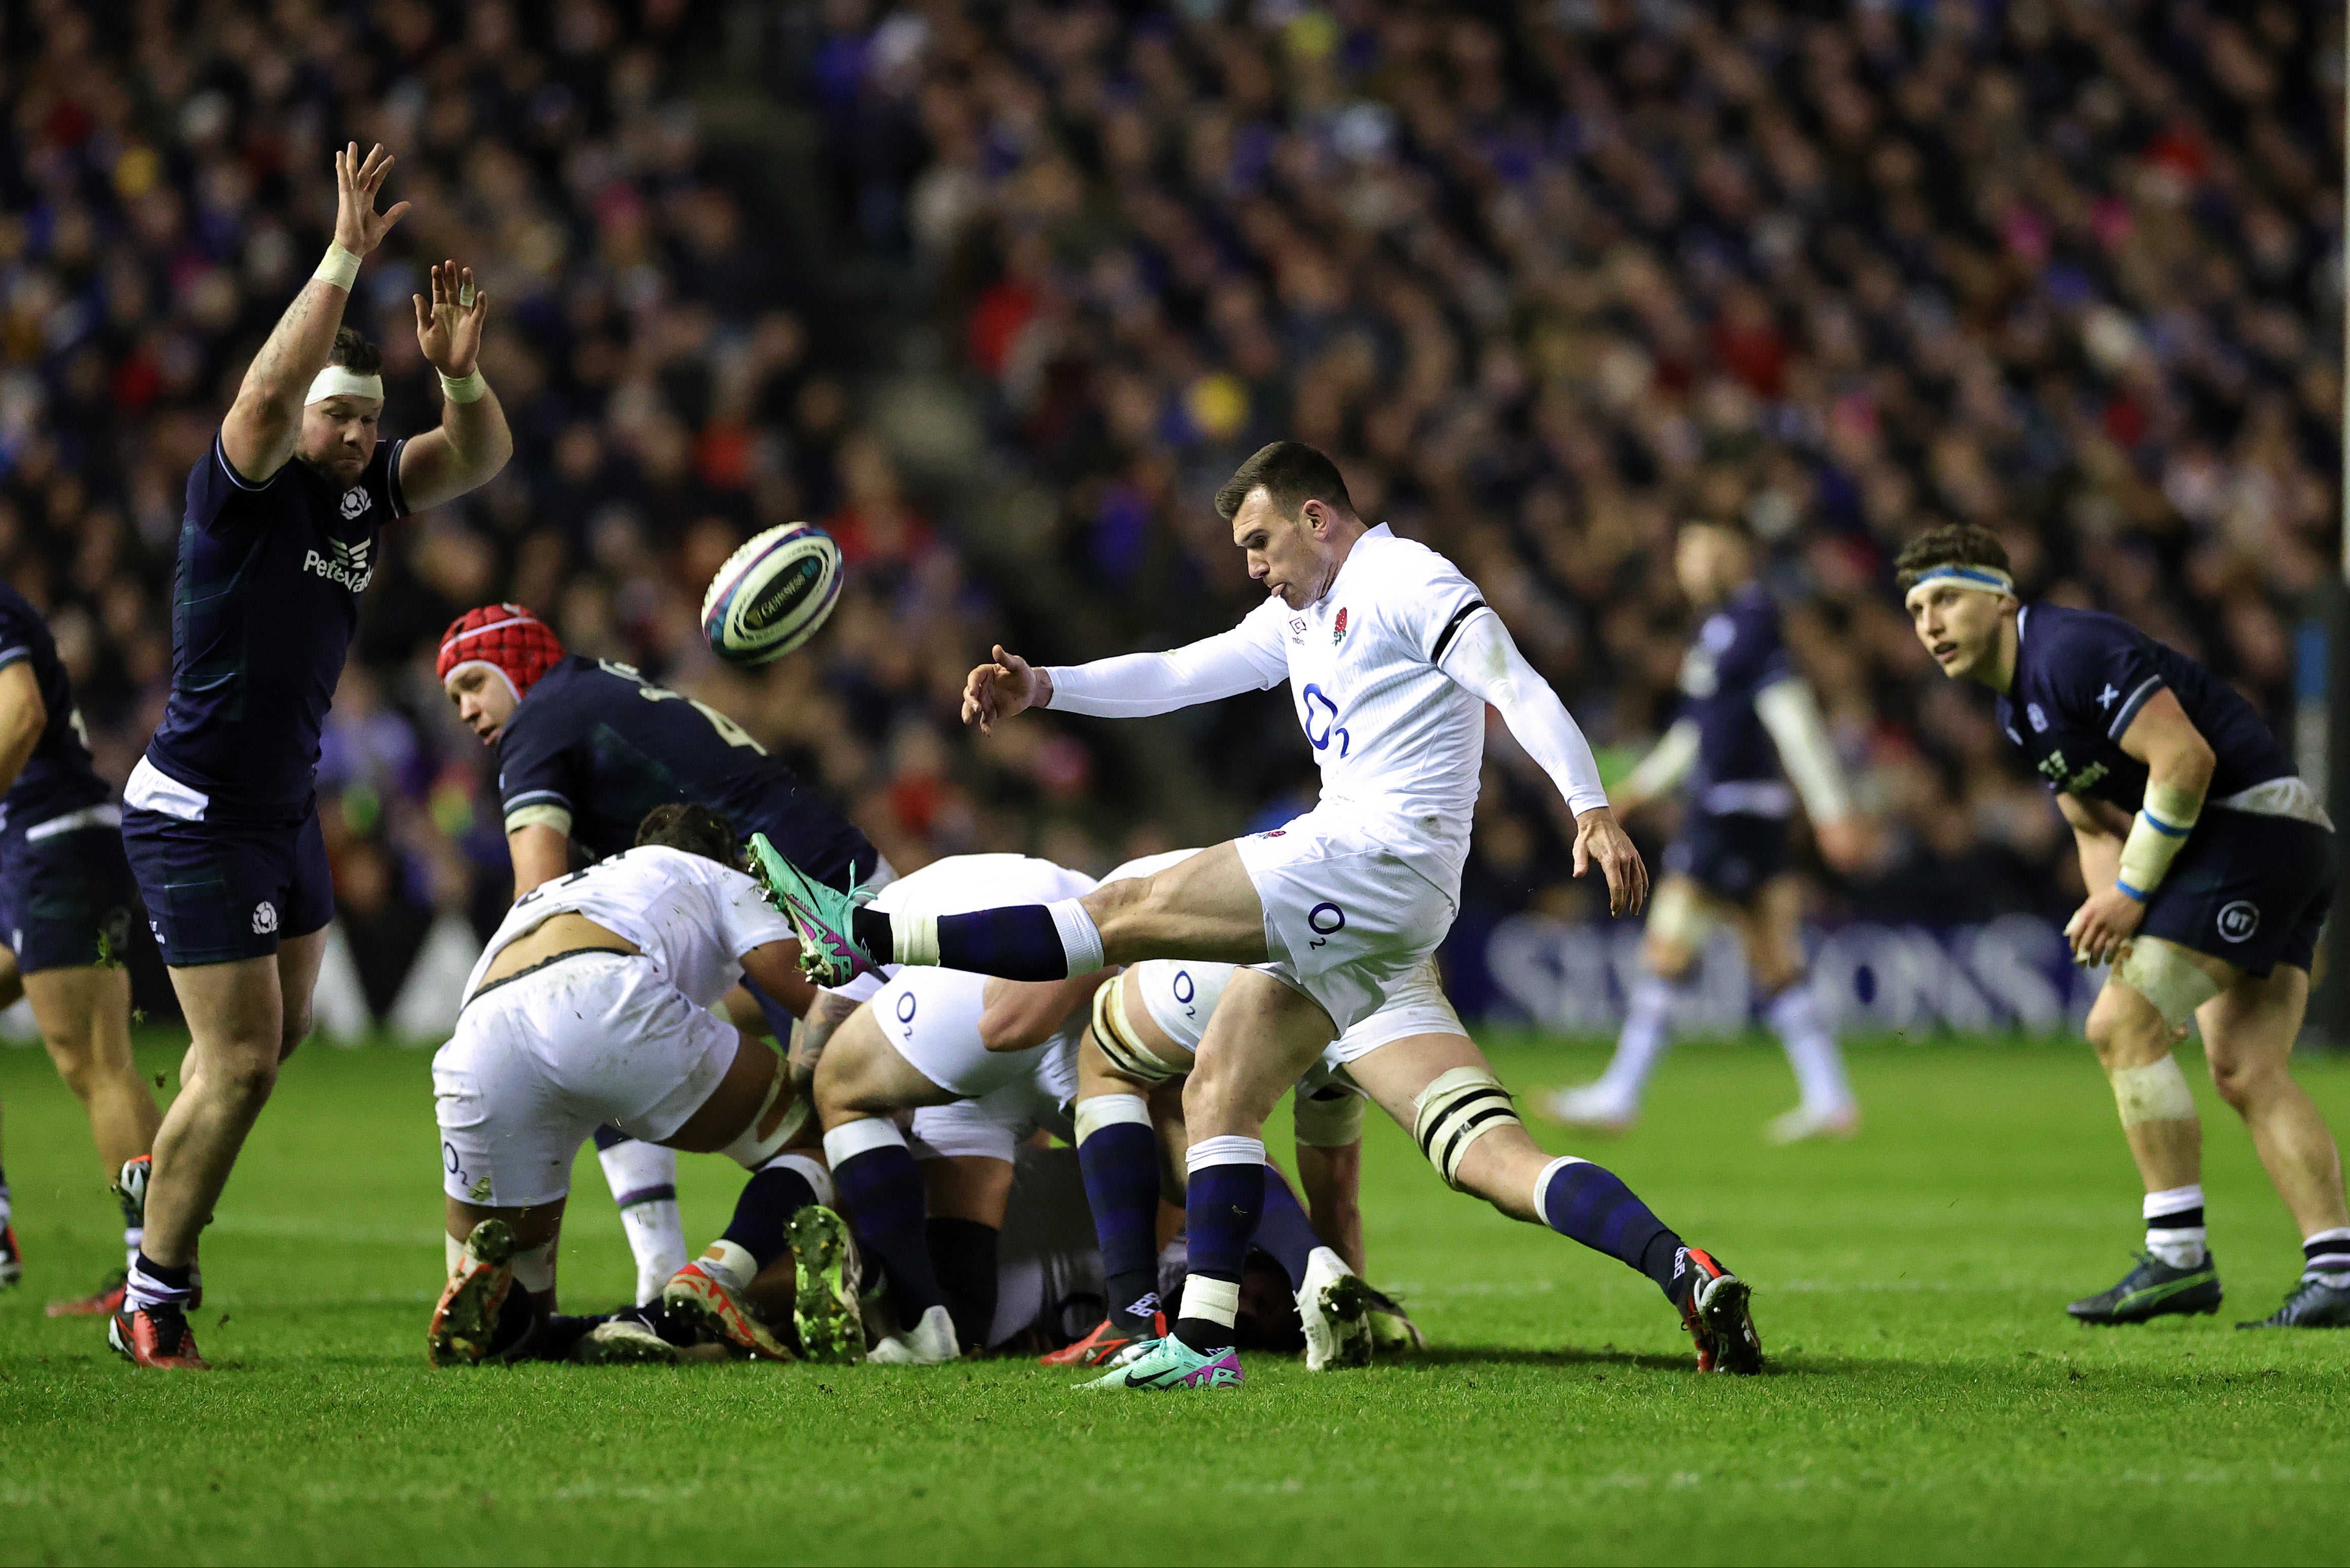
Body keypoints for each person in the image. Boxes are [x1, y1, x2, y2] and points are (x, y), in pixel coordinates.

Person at [754, 440, 1760, 1392]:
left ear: (1317, 517)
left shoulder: (1405, 579)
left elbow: (1516, 685)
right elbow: (1180, 671)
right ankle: (1681, 1267)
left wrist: (1590, 804)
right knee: (1293, 1105)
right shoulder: (1301, 615)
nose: (1251, 567)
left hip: (1366, 861)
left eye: (1259, 541)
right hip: (1387, 920)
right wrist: (1046, 686)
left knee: (1125, 909)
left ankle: (868, 936)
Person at [110, 143, 514, 1368]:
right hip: (195, 811)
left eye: (365, 421)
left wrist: (462, 384)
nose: (351, 437)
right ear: (300, 418)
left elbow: (478, 459)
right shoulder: (240, 487)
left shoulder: (358, 495)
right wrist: (342, 259)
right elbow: (261, 394)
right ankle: (152, 1291)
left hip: (282, 807)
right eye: (336, 415)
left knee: (269, 1047)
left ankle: (159, 1172)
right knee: (238, 1066)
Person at [1061, 853, 1757, 1376]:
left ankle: (1135, 1322)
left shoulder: (1124, 884)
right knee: (1497, 1159)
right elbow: (1333, 1183)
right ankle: (1676, 1262)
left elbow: (1008, 1018)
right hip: (1384, 950)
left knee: (1111, 1063)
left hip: (1252, 943)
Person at [1899, 523, 2350, 1328]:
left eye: (1944, 597)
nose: (1928, 622)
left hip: (2248, 834)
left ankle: (2177, 1258)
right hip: (2279, 842)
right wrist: (2124, 934)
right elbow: (2092, 826)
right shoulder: (2017, 708)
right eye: (1914, 607)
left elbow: (2184, 760)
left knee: (2117, 1027)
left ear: (2001, 596)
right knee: (2246, 1068)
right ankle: (2336, 1269)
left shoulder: (2067, 648)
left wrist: (2134, 901)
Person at [437, 603, 880, 1303]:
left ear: (517, 666)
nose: (464, 709)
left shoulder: (539, 718)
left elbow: (534, 889)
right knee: (638, 1061)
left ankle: (898, 1285)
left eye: (471, 683)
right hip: (811, 878)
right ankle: (691, 1280)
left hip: (796, 892)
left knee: (851, 1109)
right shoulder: (590, 695)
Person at [426, 805, 846, 1366]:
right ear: (729, 856)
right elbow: (802, 988)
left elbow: (724, 1006)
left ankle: (518, 1321)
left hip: (479, 1033)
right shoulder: (716, 875)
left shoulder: (582, 884)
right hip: (601, 992)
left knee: (524, 1292)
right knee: (824, 1135)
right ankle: (718, 1272)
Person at [1549, 518, 1871, 1142]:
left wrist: (1832, 808)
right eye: (1685, 552)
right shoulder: (1722, 628)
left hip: (1731, 811)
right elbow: (1699, 732)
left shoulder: (1750, 625)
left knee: (1666, 946)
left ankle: (1620, 1093)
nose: (1690, 565)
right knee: (1773, 956)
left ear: (1736, 557)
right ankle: (1830, 1097)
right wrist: (1640, 788)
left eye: (1704, 552)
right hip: (1747, 811)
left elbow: (1792, 717)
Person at [805, 852, 1104, 1364]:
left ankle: (891, 1283)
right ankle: (1142, 1315)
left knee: (839, 1087)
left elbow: (812, 1046)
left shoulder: (874, 914)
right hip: (1084, 1004)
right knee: (1178, 1146)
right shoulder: (1070, 876)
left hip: (980, 1007)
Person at [0, 581, 160, 1315]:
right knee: (99, 1060)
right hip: (40, 845)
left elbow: (22, 709)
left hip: (55, 843)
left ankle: (155, 1270)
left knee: (95, 1061)